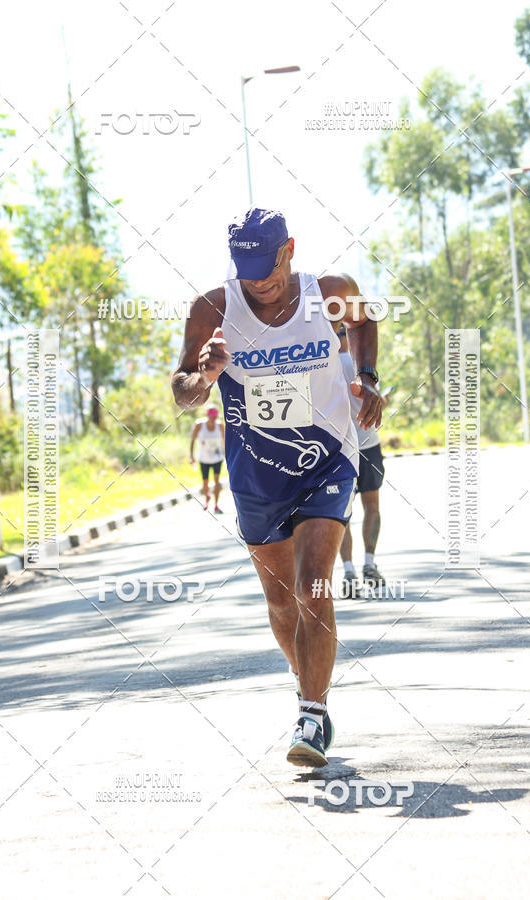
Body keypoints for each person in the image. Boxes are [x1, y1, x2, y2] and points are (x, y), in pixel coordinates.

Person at [171, 207, 382, 768]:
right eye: (246, 269)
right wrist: (207, 375)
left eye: (266, 266)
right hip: (256, 476)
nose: (257, 280)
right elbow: (183, 392)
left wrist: (367, 377)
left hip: (327, 459)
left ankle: (312, 715)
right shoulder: (212, 308)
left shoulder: (330, 292)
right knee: (281, 603)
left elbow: (364, 321)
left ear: (289, 249)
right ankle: (305, 677)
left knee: (315, 583)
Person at [337, 325, 388, 597]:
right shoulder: (361, 366)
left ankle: (348, 571)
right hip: (368, 444)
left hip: (340, 449)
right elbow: (376, 401)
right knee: (372, 506)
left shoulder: (326, 368)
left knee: (341, 514)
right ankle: (369, 564)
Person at [190, 405, 225, 513]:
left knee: (217, 481)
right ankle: (206, 500)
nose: (213, 419)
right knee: (205, 482)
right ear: (207, 415)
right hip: (203, 459)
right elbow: (192, 440)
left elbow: (225, 441)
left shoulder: (220, 426)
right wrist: (191, 456)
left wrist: (227, 455)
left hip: (217, 458)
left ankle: (216, 505)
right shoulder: (199, 425)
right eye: (211, 416)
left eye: (215, 416)